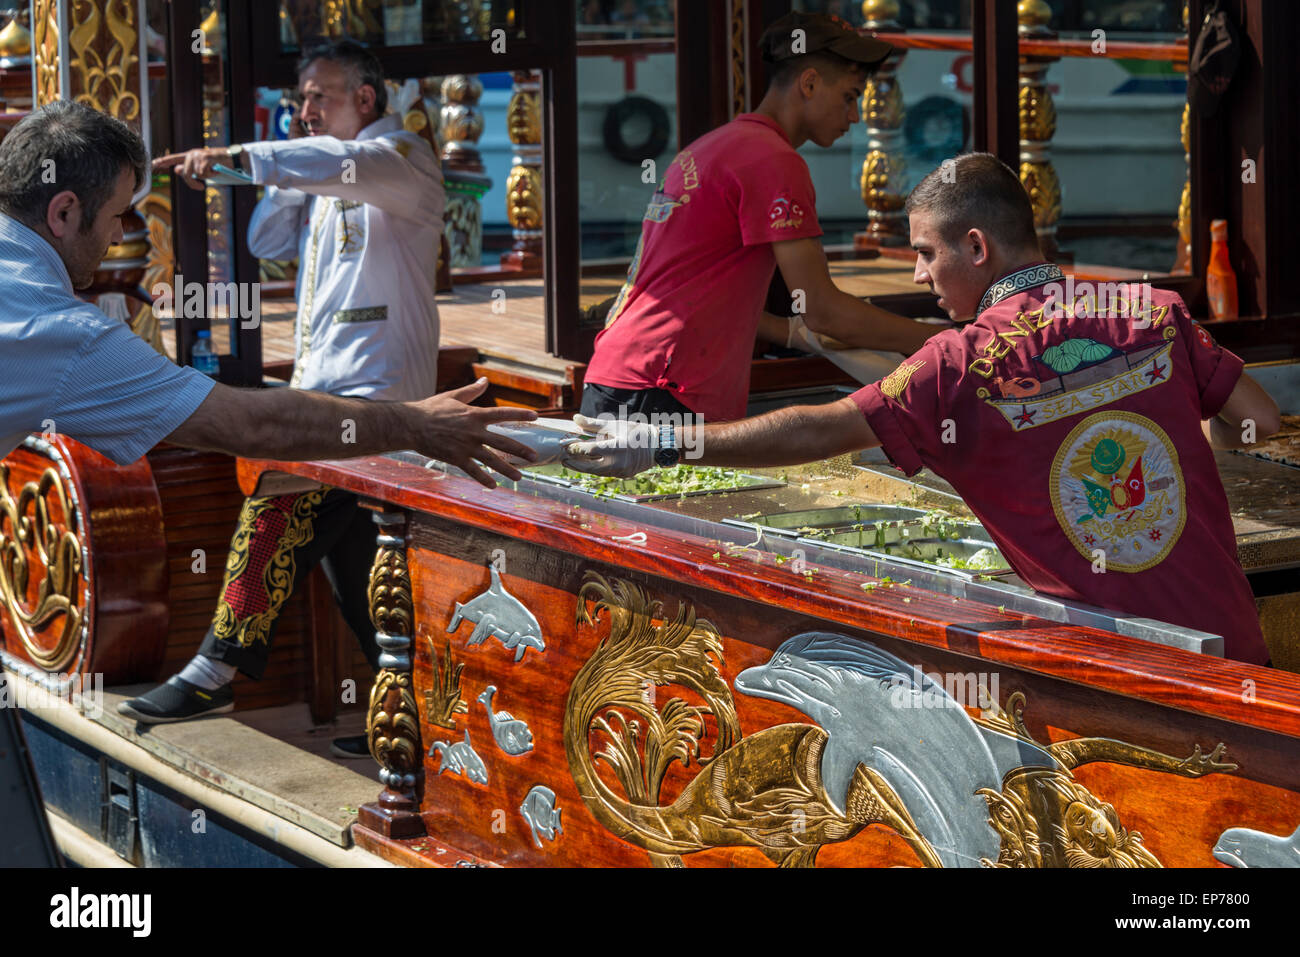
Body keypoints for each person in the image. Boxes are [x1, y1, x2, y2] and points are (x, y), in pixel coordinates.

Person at [563, 153, 1279, 665]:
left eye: (926, 253)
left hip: (1125, 675)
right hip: (1237, 652)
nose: (918, 273)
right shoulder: (1147, 310)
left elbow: (818, 429)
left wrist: (663, 441)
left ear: (976, 246)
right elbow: (1259, 419)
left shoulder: (959, 364)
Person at [123, 42, 460, 748]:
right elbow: (264, 235)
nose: (304, 110)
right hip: (327, 389)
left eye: (318, 97)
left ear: (364, 99)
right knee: (358, 565)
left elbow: (347, 163)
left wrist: (238, 158)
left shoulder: (401, 159)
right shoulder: (327, 172)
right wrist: (284, 176)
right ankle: (420, 725)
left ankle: (217, 665)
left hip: (377, 395)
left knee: (277, 498)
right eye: (300, 98)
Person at [579, 11, 944, 424]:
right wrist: (943, 340)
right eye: (849, 96)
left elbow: (696, 293)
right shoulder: (773, 160)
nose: (855, 115)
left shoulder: (710, 147)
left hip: (619, 376)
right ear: (809, 84)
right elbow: (822, 310)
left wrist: (788, 332)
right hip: (663, 390)